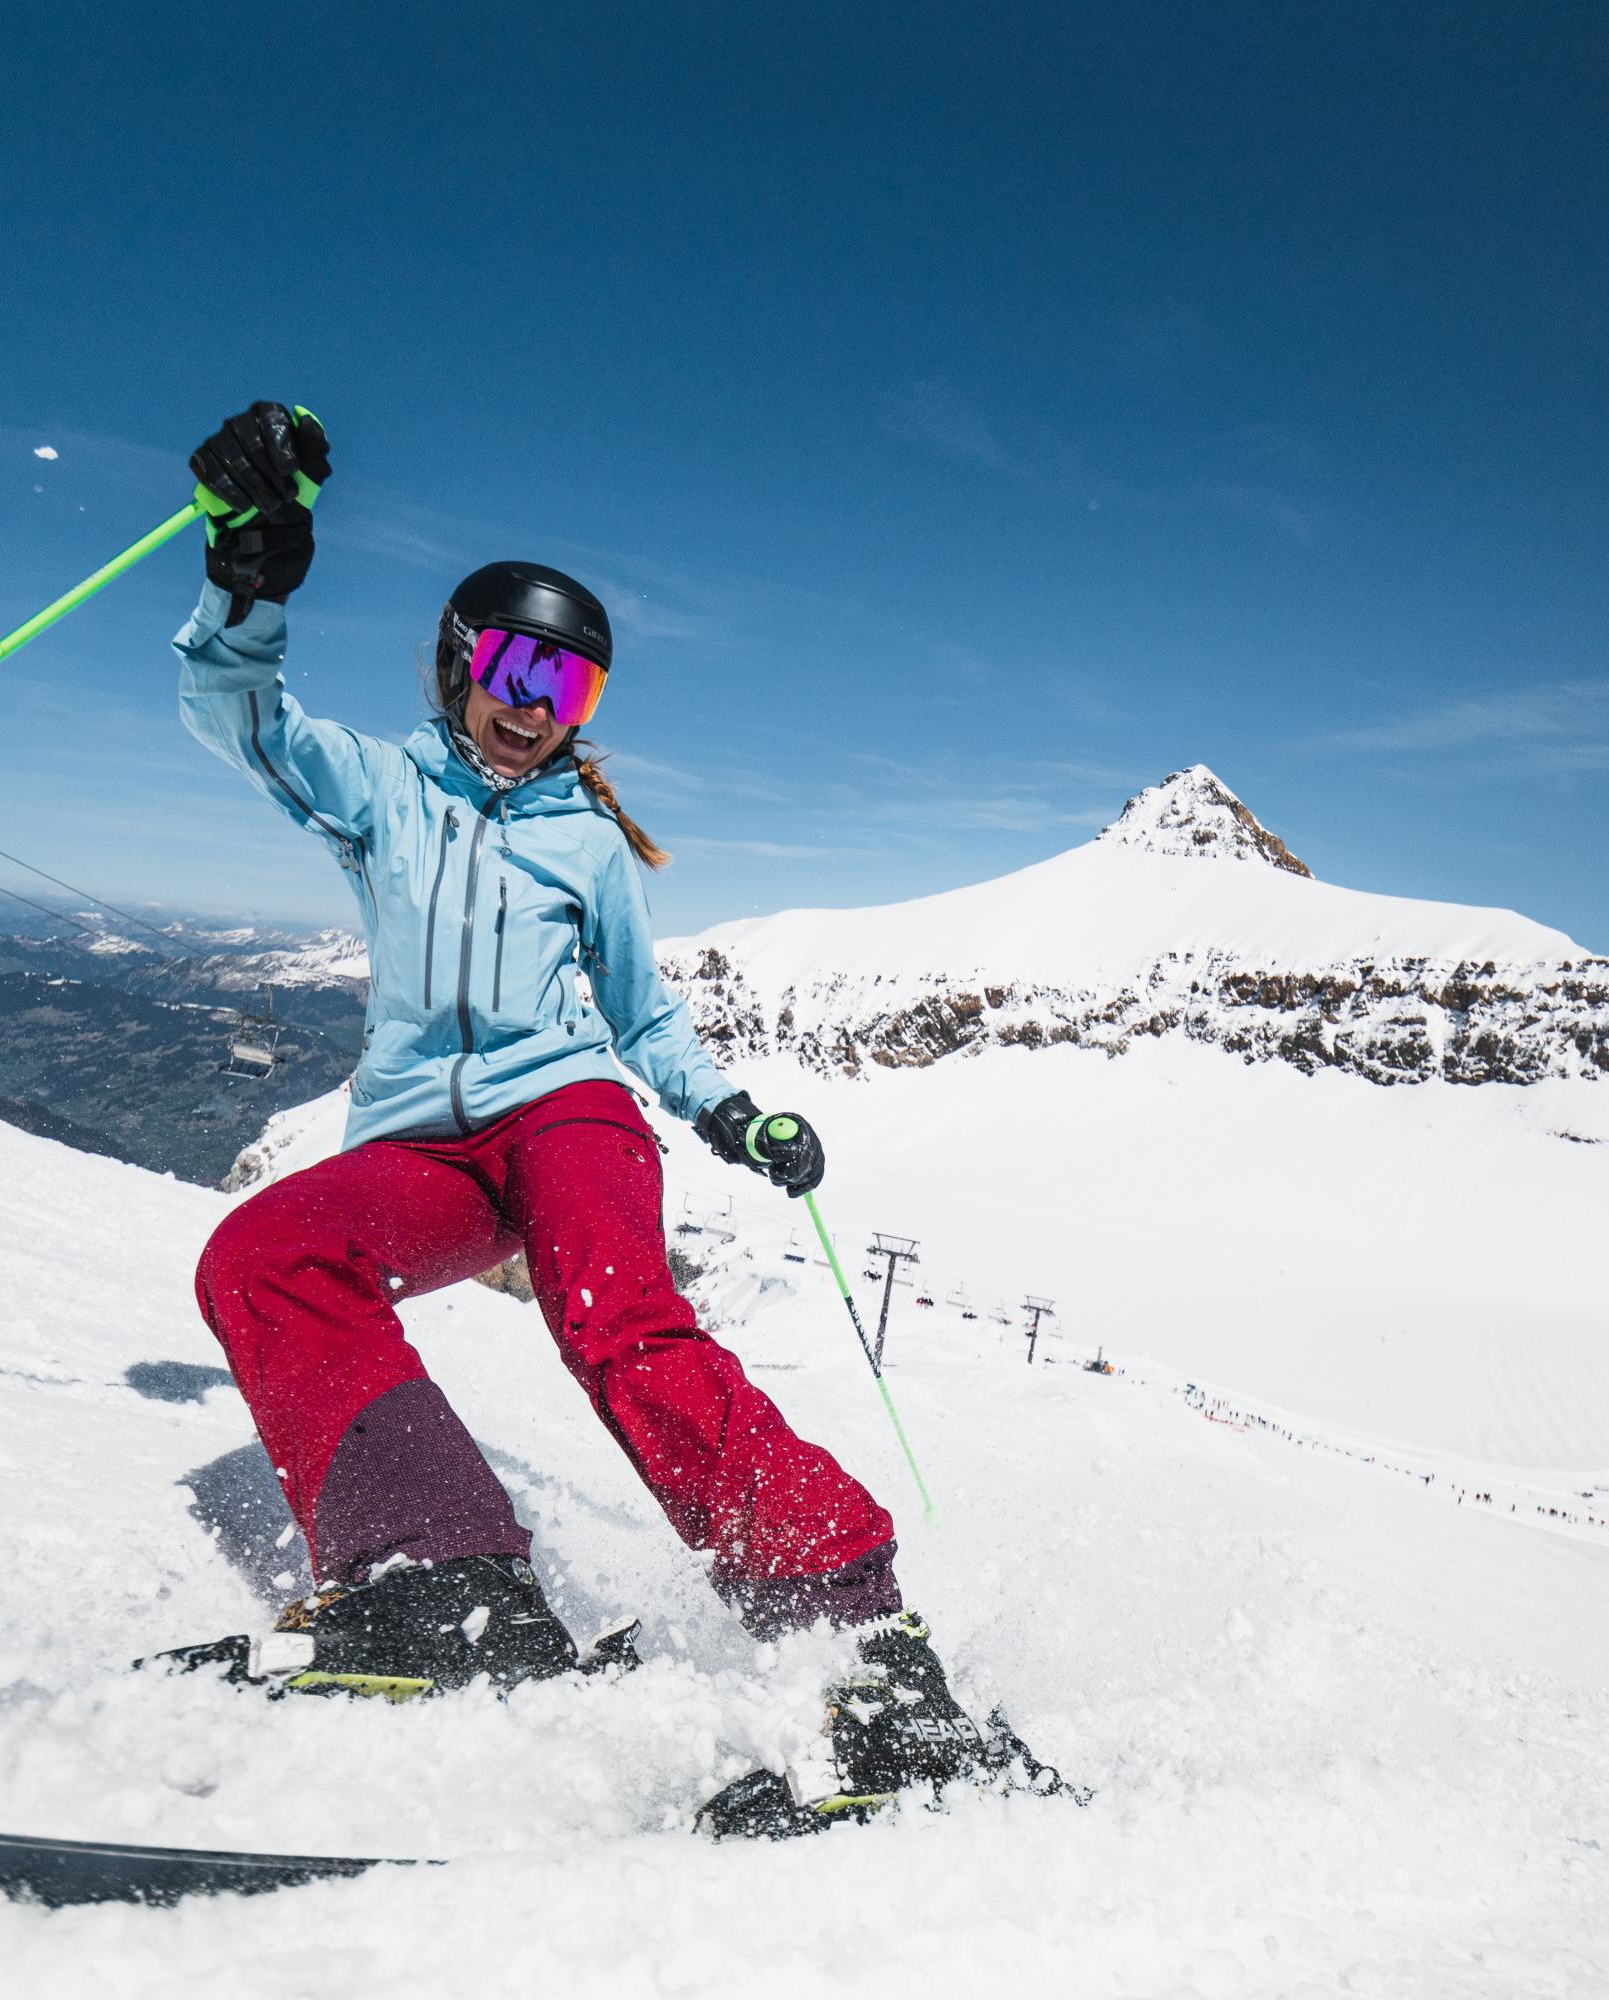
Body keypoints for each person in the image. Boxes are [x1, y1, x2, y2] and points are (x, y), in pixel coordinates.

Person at [171, 402, 1001, 1833]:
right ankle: (443, 1583)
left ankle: (851, 1628)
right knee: (259, 1259)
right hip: (420, 1149)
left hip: (566, 1119)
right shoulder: (382, 790)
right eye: (515, 663)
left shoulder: (586, 844)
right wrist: (246, 581)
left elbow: (645, 1018)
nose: (538, 700)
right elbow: (239, 721)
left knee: (615, 1318)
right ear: (458, 661)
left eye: (573, 685)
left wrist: (734, 1117)